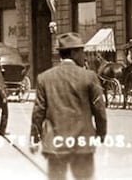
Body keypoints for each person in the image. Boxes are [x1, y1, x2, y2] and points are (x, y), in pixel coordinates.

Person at [30, 32, 107, 180]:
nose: (83, 55)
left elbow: (38, 112)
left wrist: (34, 139)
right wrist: (101, 134)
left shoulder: (44, 78)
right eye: (81, 51)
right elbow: (99, 110)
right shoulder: (89, 76)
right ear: (73, 52)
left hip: (55, 144)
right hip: (82, 143)